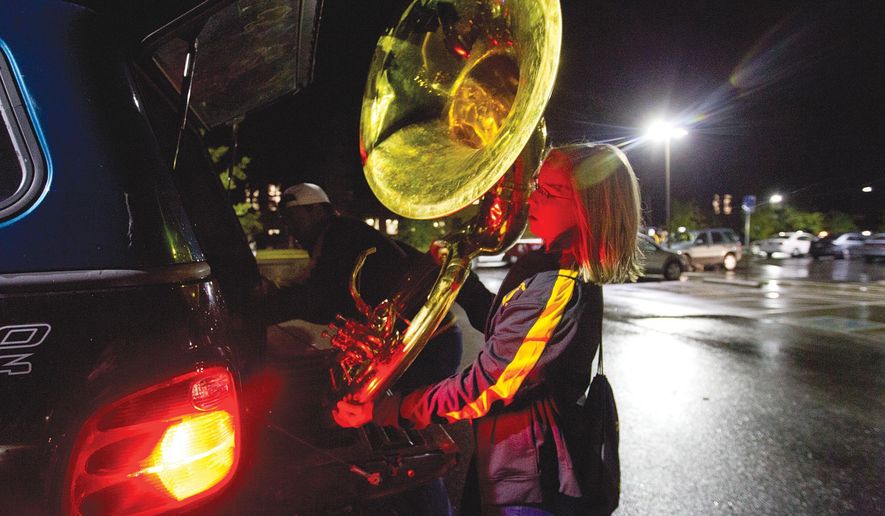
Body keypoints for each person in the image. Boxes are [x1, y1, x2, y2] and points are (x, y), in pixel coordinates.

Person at [333, 143, 643, 515]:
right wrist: (452, 271)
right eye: (536, 185)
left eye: (549, 191)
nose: (533, 198)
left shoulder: (558, 284)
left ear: (589, 207)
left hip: (532, 484)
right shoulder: (547, 267)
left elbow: (486, 386)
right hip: (517, 466)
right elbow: (501, 327)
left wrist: (387, 410)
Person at [264, 182, 461, 514]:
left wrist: (265, 304)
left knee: (404, 436)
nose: (291, 228)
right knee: (394, 431)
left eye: (294, 217)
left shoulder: (337, 236)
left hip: (423, 348)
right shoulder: (351, 233)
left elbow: (319, 296)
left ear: (318, 210)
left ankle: (429, 506)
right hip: (425, 344)